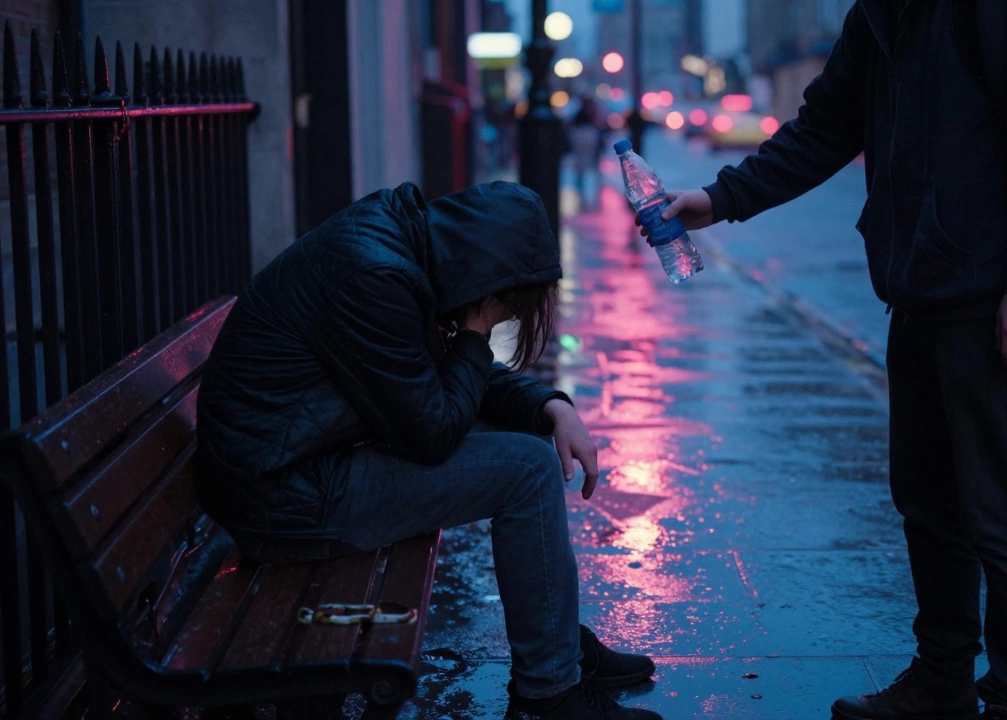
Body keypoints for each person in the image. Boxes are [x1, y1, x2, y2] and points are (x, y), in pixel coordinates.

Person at [651, 2, 1007, 719]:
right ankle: (942, 681)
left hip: (996, 296)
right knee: (926, 501)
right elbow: (825, 127)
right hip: (920, 287)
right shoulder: (882, 14)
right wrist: (717, 199)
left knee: (1000, 508)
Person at [196, 181, 664, 720]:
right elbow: (433, 432)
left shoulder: (401, 249)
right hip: (286, 498)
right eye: (504, 307)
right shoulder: (376, 278)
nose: (505, 318)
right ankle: (549, 693)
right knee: (529, 470)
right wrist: (473, 332)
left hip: (298, 466)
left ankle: (555, 644)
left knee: (525, 438)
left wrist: (550, 406)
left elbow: (434, 383)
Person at [568, 96, 605, 209]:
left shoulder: (579, 115)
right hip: (589, 142)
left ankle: (583, 193)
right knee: (590, 169)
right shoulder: (593, 116)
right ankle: (592, 193)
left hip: (581, 142)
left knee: (581, 170)